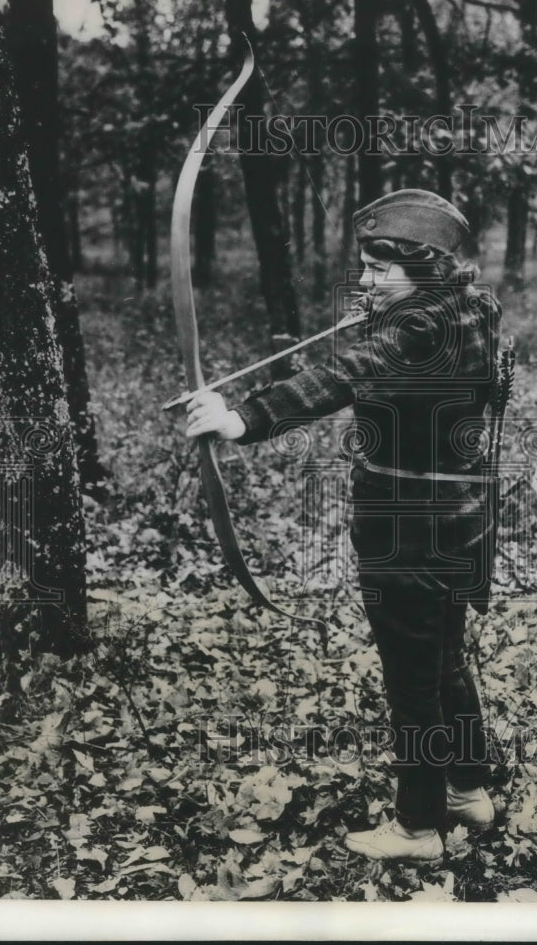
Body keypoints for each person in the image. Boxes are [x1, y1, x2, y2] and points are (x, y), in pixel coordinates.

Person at [186, 189, 502, 862]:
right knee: (444, 659)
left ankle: (417, 828)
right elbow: (380, 359)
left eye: (379, 269)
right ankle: (466, 790)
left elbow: (347, 372)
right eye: (363, 266)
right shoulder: (467, 307)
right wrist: (384, 304)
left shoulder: (417, 328)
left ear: (424, 267)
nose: (364, 280)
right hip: (458, 523)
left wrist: (242, 420)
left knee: (413, 679)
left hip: (407, 529)